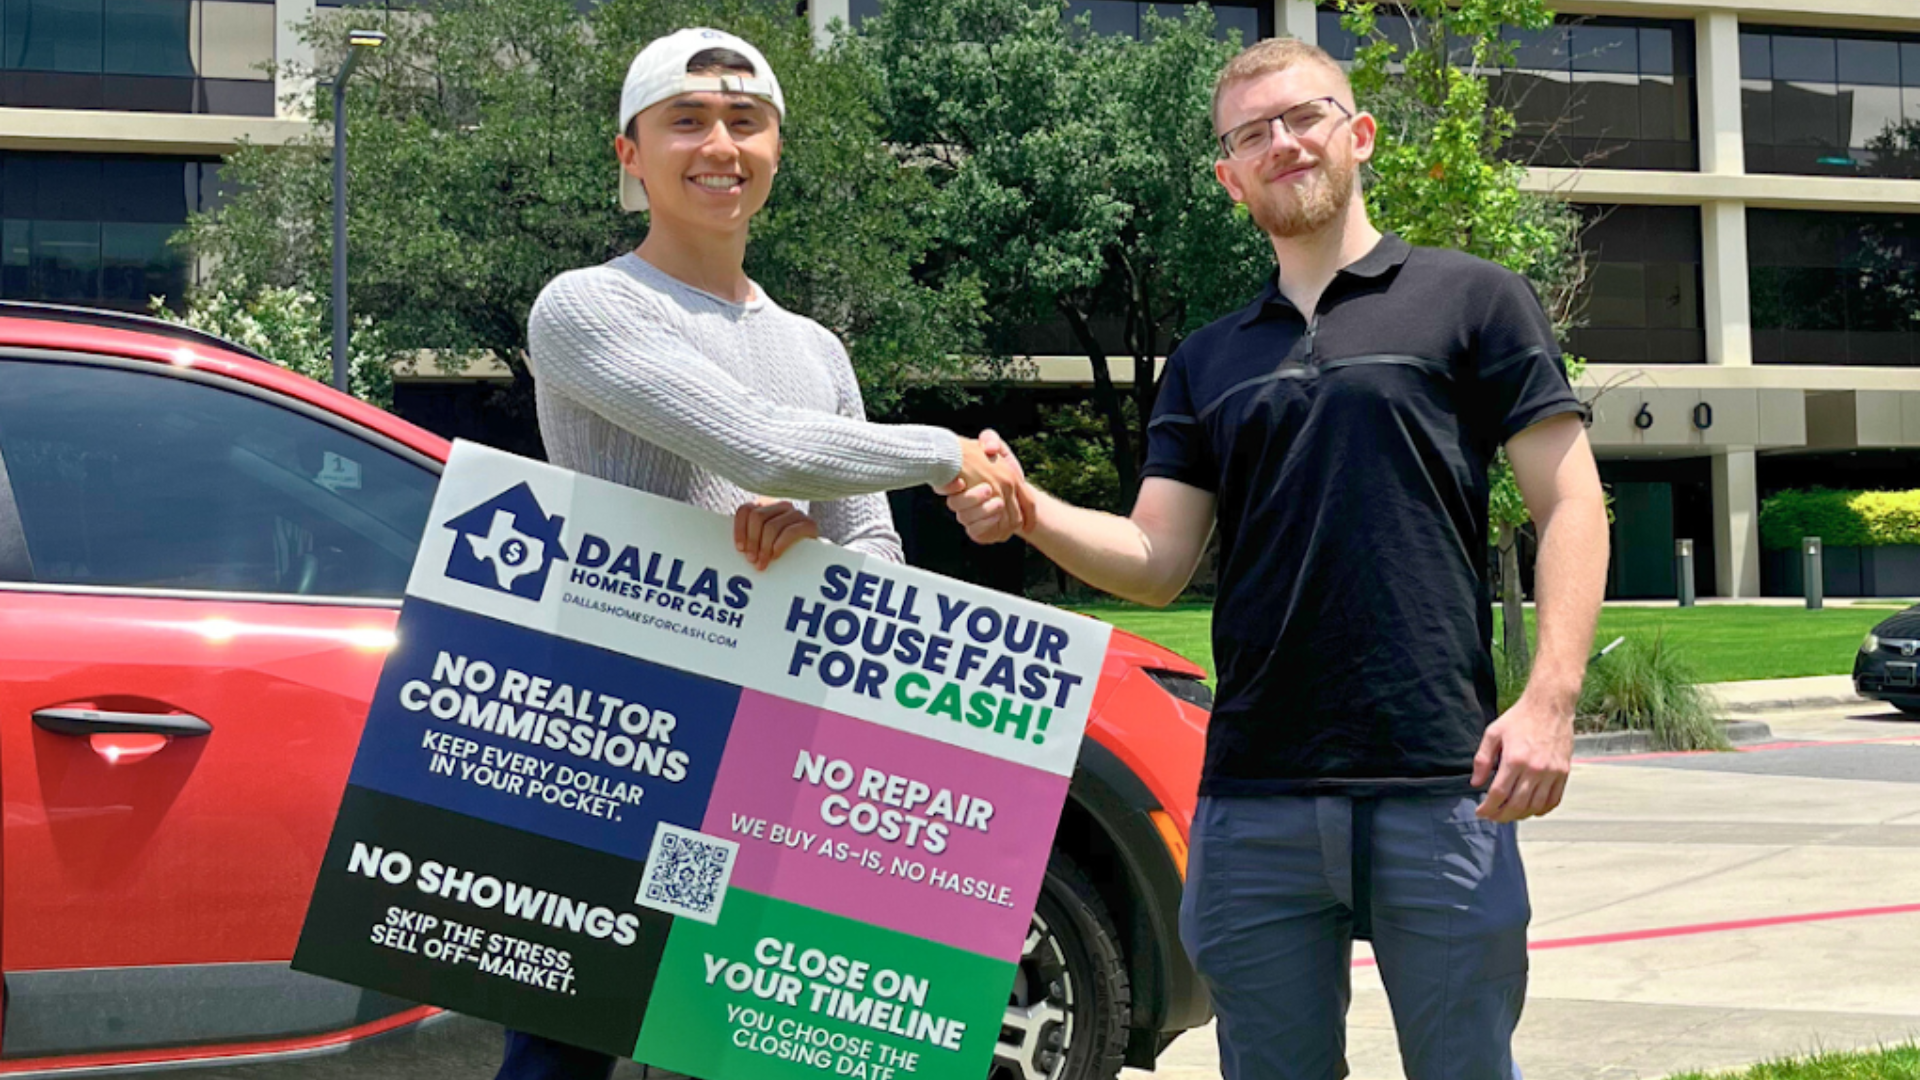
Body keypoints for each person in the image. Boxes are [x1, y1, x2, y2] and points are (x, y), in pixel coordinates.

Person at [948, 36, 1609, 1080]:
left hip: (1441, 780)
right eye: (1252, 133)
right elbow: (1157, 556)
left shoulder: (1475, 299)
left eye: (1305, 116)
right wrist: (1032, 510)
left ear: (1360, 134)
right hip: (1253, 794)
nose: (1284, 143)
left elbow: (1569, 500)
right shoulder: (1208, 358)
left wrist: (1551, 699)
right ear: (1229, 177)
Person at [500, 27, 1024, 1080]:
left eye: (746, 121)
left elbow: (873, 550)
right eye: (686, 120)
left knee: (736, 1051)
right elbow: (756, 443)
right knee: (563, 1052)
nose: (720, 145)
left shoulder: (816, 348)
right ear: (630, 154)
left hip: (766, 755)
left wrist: (817, 568)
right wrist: (947, 450)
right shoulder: (584, 305)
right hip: (610, 745)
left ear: (776, 148)